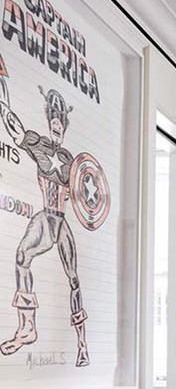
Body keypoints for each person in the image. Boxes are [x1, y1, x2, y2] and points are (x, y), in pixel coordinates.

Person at [0, 80, 108, 366]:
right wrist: (3, 101)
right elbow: (15, 128)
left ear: (65, 125)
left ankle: (82, 345)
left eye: (61, 120)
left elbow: (86, 193)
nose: (57, 123)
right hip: (46, 217)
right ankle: (27, 327)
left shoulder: (71, 161)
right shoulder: (38, 144)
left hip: (62, 222)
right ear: (50, 121)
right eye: (54, 119)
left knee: (74, 279)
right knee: (22, 257)